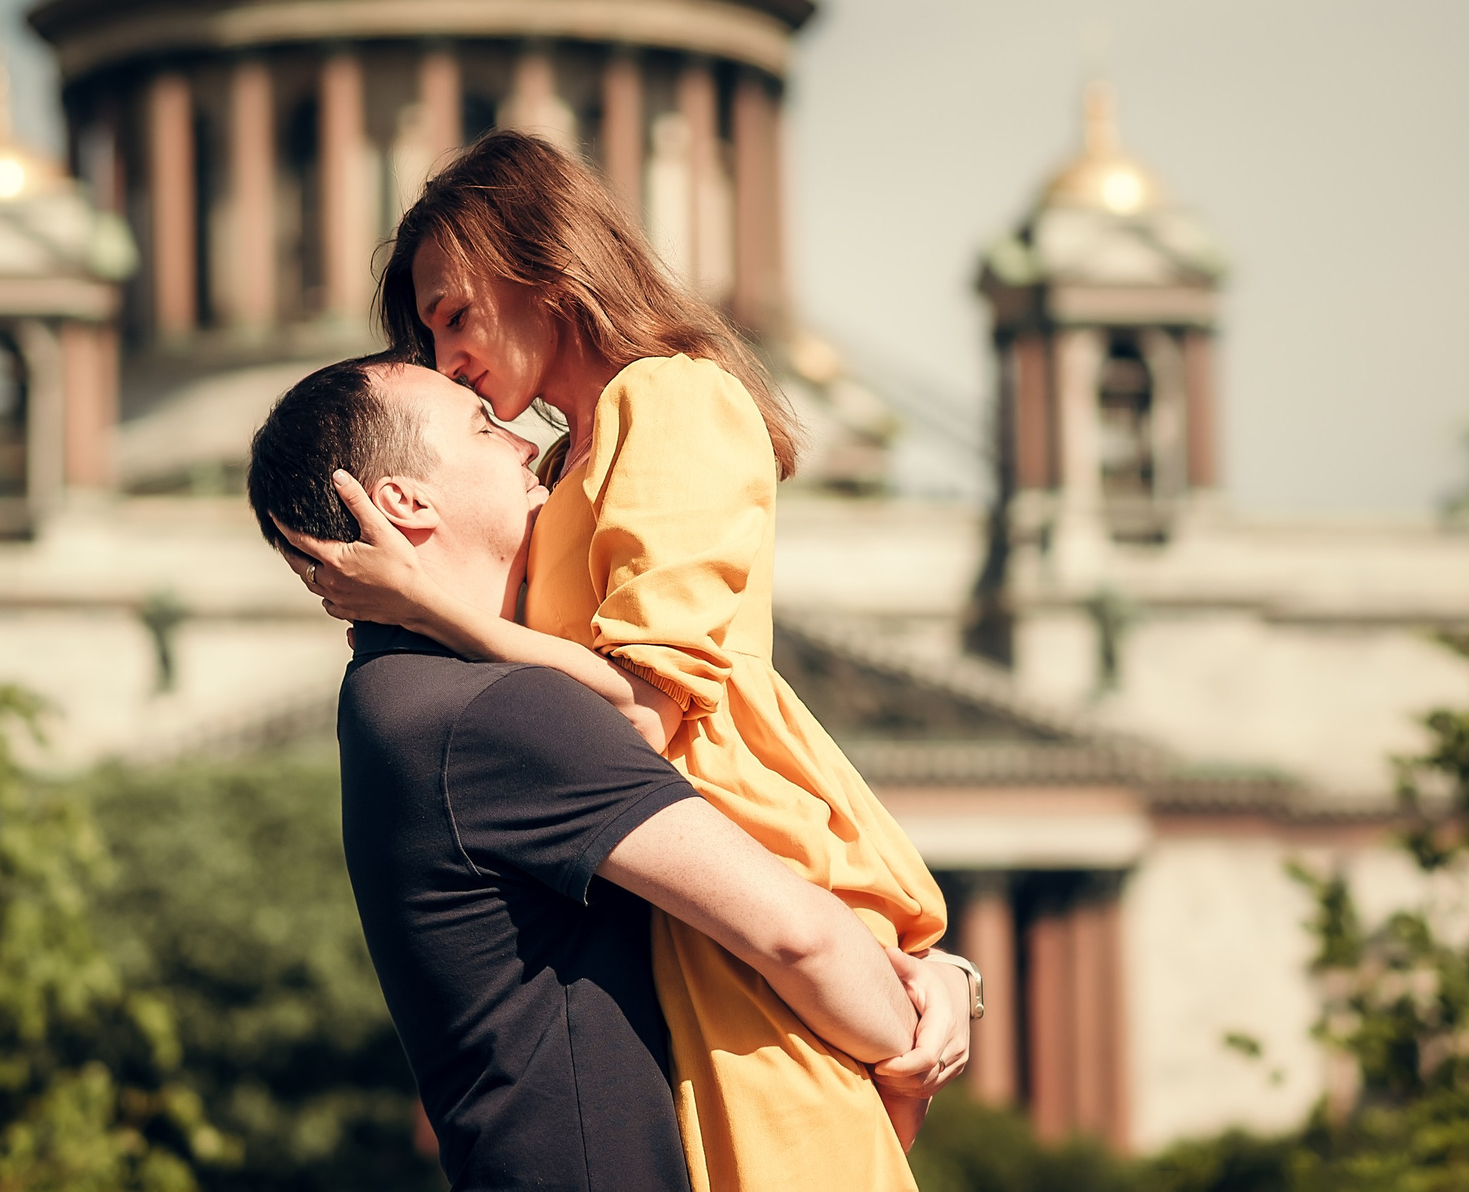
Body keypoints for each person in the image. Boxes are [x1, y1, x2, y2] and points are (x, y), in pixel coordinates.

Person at [278, 132, 963, 1192]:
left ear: (541, 263)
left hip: (731, 841)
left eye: (454, 311)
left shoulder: (670, 398)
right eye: (428, 329)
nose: (445, 349)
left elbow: (641, 706)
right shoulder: (560, 464)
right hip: (678, 888)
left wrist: (425, 603)